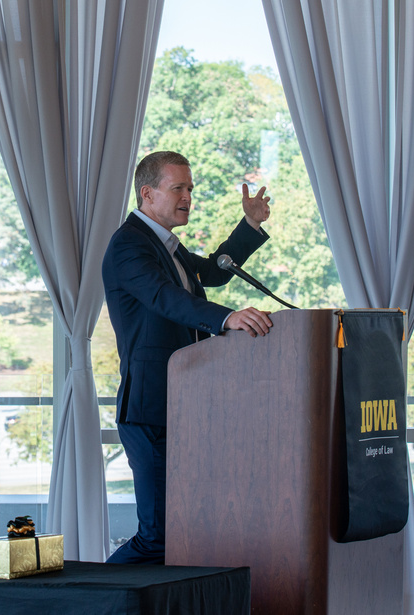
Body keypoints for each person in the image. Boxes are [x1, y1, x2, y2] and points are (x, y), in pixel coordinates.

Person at [102, 150, 273, 564]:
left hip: (184, 406)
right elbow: (165, 298)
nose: (187, 197)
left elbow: (214, 272)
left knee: (184, 531)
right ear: (147, 193)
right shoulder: (129, 245)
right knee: (157, 538)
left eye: (190, 189)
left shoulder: (169, 247)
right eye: (177, 188)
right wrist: (227, 317)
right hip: (150, 408)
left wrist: (250, 224)